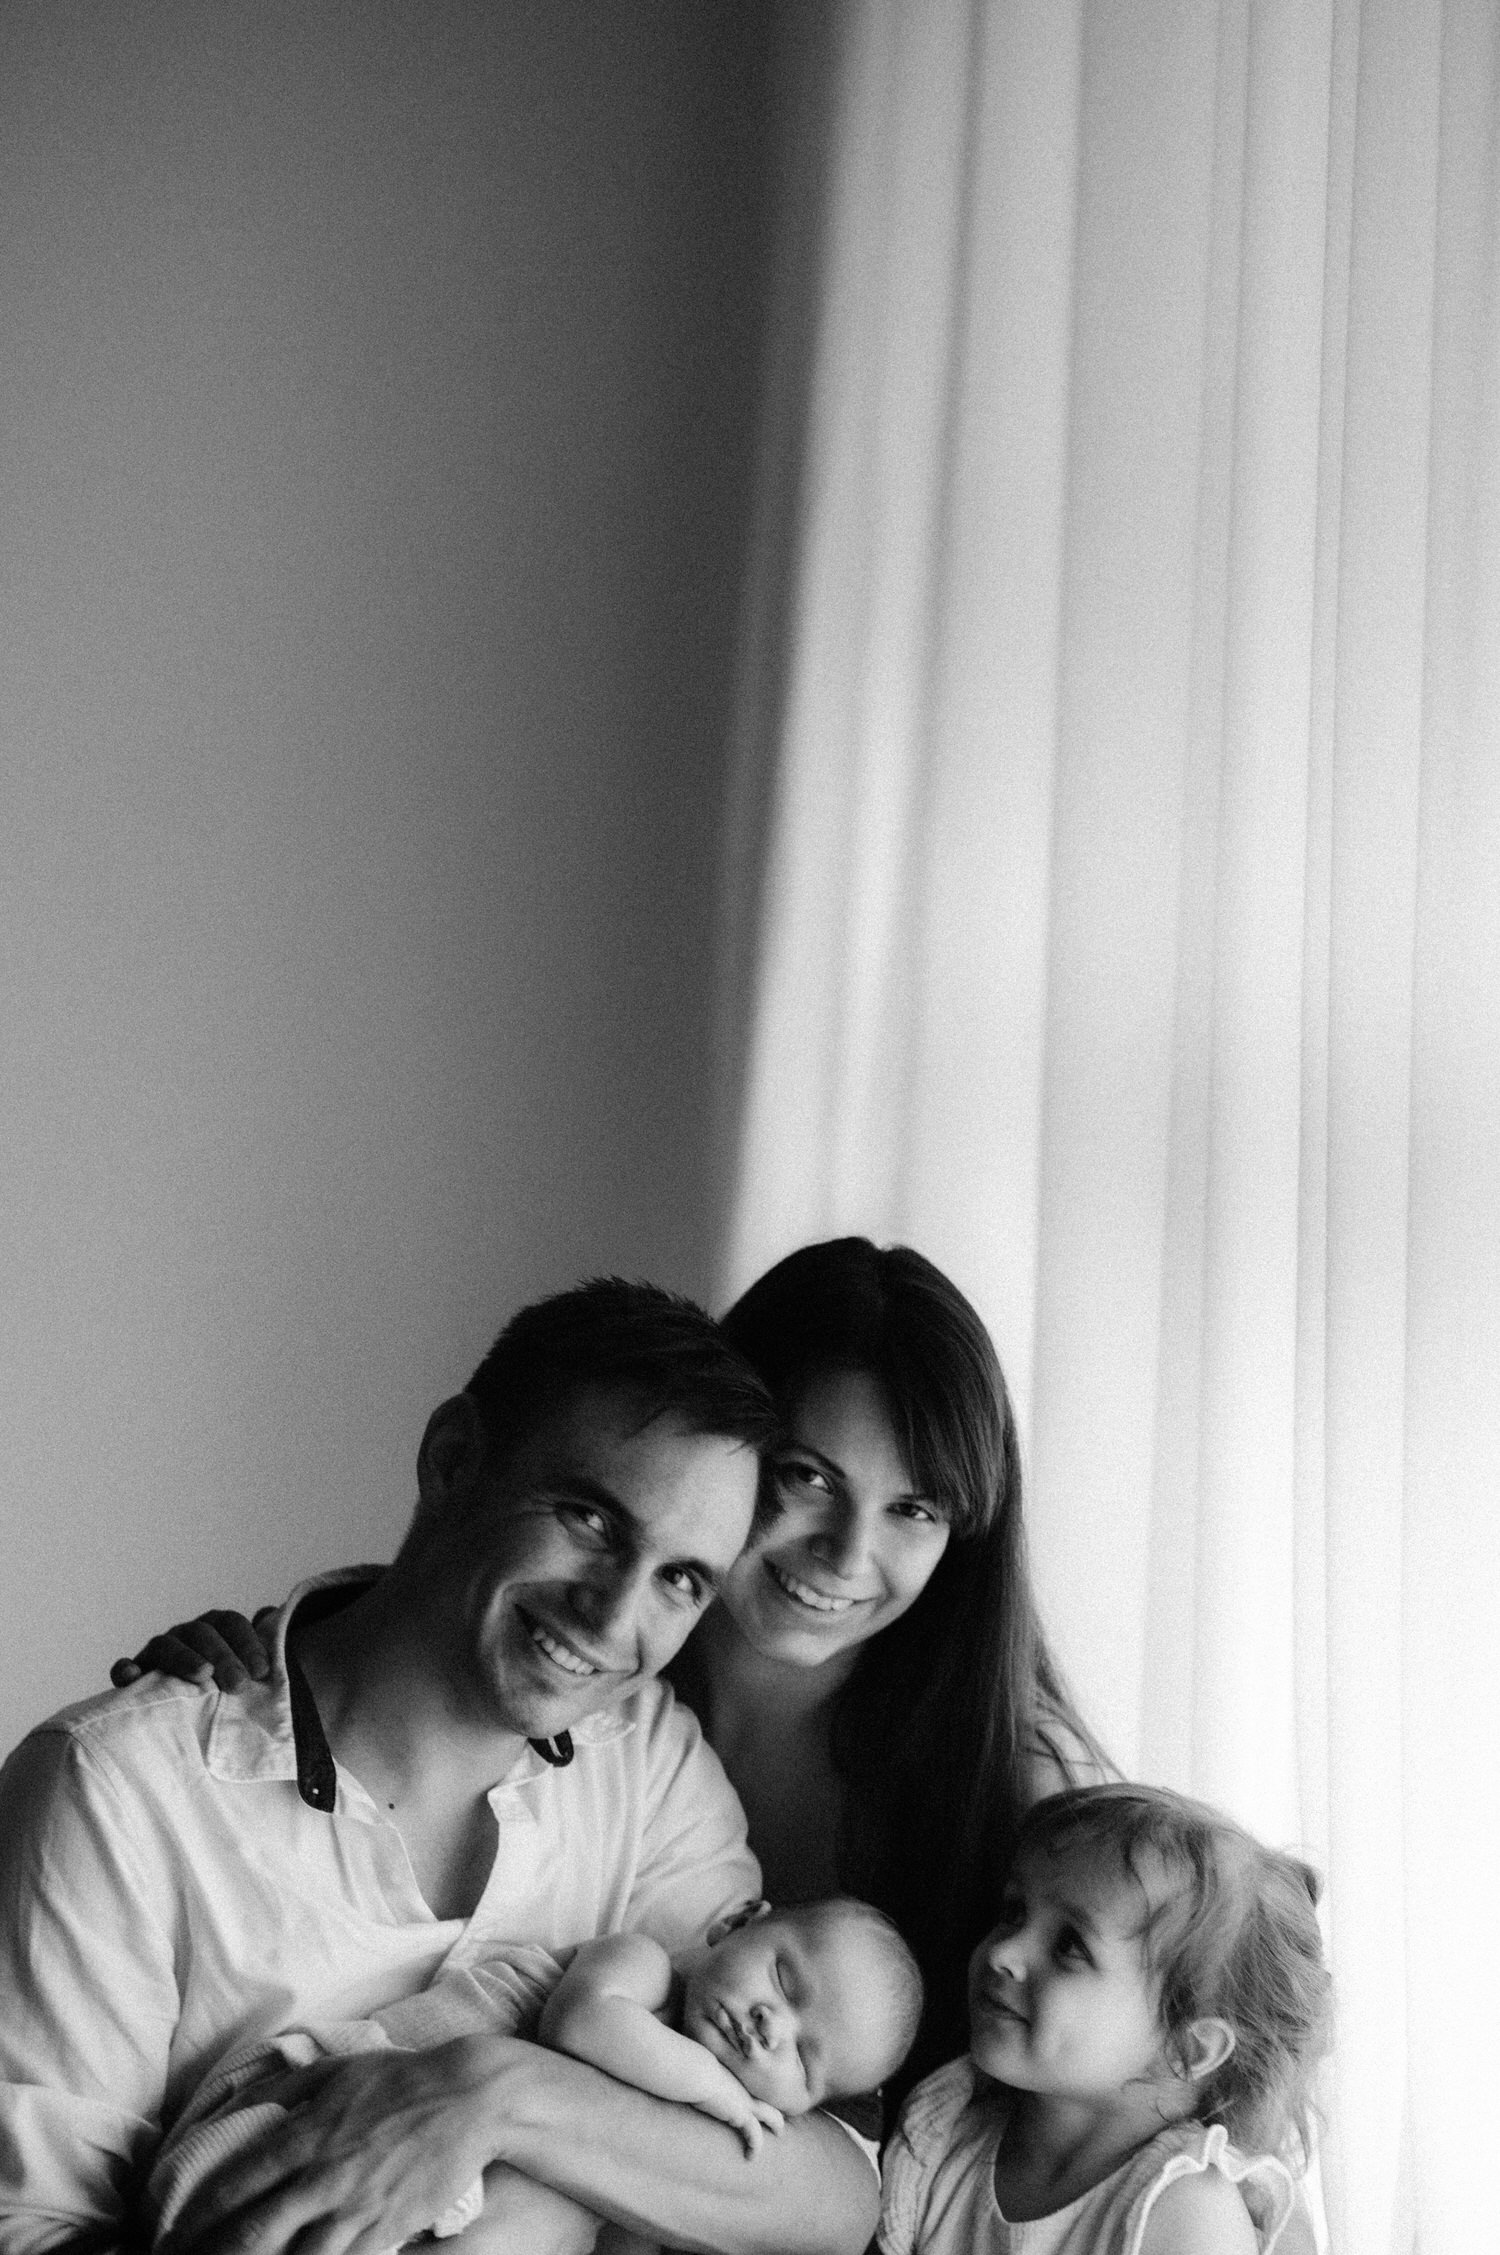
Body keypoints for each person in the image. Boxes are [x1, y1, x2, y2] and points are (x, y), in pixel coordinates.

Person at [112, 1239, 1108, 2251]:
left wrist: (495, 2092)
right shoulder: (598, 1678)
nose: (849, 1554)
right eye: (808, 1477)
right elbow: (424, 1634)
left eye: (915, 1508)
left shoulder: (1007, 1773)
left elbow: (892, 2168)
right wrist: (280, 1665)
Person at [0, 1278, 889, 2255]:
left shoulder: (645, 1758)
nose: (613, 1616)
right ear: (454, 1457)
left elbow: (834, 2193)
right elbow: (33, 2230)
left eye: (680, 1578)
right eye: (591, 1519)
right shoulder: (115, 1784)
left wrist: (489, 2096)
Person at [149, 1895, 923, 2248]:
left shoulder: (669, 2156)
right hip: (314, 2095)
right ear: (738, 1921)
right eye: (784, 1979)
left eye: (803, 2057)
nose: (770, 2025)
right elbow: (583, 2026)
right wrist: (717, 2088)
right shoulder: (644, 1966)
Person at [878, 1784, 1332, 2255]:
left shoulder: (1187, 2209)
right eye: (1013, 1912)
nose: (1003, 1953)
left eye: (1070, 1945)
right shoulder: (946, 2134)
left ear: (1187, 2048)